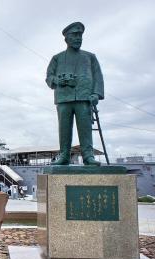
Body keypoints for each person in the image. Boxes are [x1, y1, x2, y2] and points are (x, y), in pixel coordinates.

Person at [46, 22, 104, 166]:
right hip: (63, 99)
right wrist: (59, 81)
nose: (78, 38)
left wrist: (96, 93)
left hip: (84, 98)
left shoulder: (90, 57)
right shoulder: (57, 58)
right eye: (74, 35)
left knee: (85, 128)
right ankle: (64, 155)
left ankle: (88, 156)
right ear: (66, 39)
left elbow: (98, 77)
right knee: (64, 129)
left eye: (80, 35)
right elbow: (49, 77)